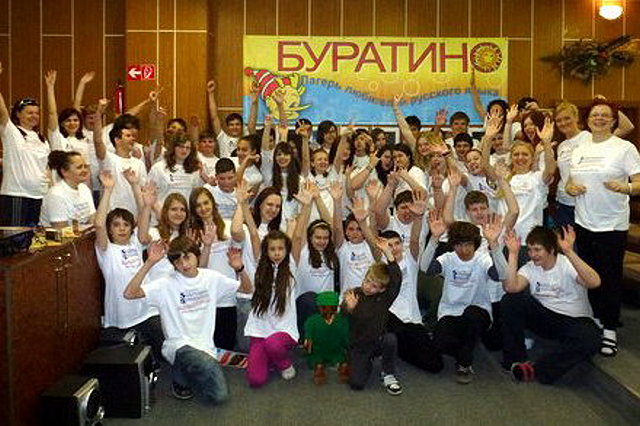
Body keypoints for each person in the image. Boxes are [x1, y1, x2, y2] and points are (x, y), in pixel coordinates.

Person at [124, 236, 252, 402]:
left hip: (206, 347)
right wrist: (149, 263)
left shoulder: (211, 278)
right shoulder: (165, 284)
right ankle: (180, 378)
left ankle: (188, 371)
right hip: (178, 345)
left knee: (219, 396)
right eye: (177, 261)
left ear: (196, 255)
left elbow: (247, 289)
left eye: (187, 257)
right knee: (207, 368)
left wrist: (240, 269)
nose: (184, 264)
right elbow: (129, 294)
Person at [566, 99, 640, 356]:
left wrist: (626, 187)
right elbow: (570, 183)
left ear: (612, 120)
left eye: (604, 115)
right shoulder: (579, 148)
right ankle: (596, 318)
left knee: (609, 277)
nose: (599, 118)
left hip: (612, 224)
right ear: (587, 120)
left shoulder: (624, 148)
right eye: (595, 115)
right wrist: (571, 189)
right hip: (583, 222)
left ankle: (610, 328)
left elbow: (638, 182)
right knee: (588, 274)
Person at [500, 227, 601, 384]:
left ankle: (538, 370)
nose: (532, 254)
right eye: (530, 249)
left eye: (537, 250)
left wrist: (569, 252)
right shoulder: (530, 267)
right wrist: (513, 254)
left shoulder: (566, 263)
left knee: (591, 340)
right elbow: (511, 287)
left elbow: (594, 282)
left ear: (552, 249)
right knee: (510, 300)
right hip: (546, 318)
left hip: (574, 319)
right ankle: (514, 360)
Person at [420, 212, 508, 384]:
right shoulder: (448, 259)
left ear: (475, 244)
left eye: (468, 245)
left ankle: (464, 362)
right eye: (459, 245)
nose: (464, 250)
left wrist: (493, 244)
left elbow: (502, 275)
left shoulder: (482, 259)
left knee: (472, 314)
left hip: (478, 312)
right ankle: (466, 346)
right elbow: (425, 268)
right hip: (450, 312)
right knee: (440, 343)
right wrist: (434, 238)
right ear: (453, 245)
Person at [94, 169, 164, 364]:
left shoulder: (135, 242)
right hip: (122, 315)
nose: (122, 228)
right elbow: (98, 224)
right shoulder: (106, 250)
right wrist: (108, 190)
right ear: (110, 230)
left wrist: (136, 187)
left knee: (163, 354)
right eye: (116, 225)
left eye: (126, 224)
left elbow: (143, 216)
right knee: (130, 363)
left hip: (147, 309)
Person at [341, 238, 403, 395]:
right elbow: (343, 317)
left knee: (390, 339)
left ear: (382, 289)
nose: (368, 287)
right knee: (356, 384)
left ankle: (388, 373)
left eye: (374, 286)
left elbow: (396, 278)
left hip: (377, 341)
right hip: (359, 346)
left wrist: (388, 253)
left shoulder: (385, 298)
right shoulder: (354, 294)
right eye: (367, 281)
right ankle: (365, 362)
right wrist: (349, 308)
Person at [244, 230, 299, 388]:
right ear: (266, 251)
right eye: (272, 249)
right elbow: (254, 235)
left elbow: (298, 236)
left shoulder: (291, 266)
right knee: (256, 380)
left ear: (286, 250)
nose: (276, 253)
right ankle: (270, 357)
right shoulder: (260, 267)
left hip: (284, 330)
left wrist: (299, 217)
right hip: (260, 331)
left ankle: (284, 363)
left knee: (273, 344)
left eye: (280, 249)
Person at [0, 61, 51, 226]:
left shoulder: (42, 139)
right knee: (16, 238)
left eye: (37, 113)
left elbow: (46, 166)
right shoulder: (12, 133)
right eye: (29, 112)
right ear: (18, 114)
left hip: (39, 196)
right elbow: (2, 111)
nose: (34, 116)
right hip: (17, 195)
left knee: (35, 238)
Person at [190, 187, 239, 351]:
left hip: (229, 294)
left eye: (206, 203)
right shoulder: (193, 233)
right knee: (209, 346)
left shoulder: (229, 226)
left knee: (228, 346)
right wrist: (207, 246)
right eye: (198, 205)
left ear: (213, 203)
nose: (203, 208)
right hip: (206, 297)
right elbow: (199, 270)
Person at [39, 151, 95, 228]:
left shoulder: (84, 189)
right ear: (64, 172)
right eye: (79, 167)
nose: (85, 170)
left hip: (82, 234)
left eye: (85, 166)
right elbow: (60, 229)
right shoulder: (56, 194)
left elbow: (92, 221)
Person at [303, 291, 349, 385]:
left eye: (331, 308)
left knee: (339, 360)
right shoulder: (313, 320)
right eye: (325, 308)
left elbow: (346, 336)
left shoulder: (341, 319)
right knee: (321, 360)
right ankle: (327, 366)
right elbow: (308, 335)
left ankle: (325, 366)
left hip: (329, 350)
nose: (328, 311)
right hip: (326, 350)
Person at [147, 134, 202, 207]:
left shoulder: (194, 170)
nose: (184, 150)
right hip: (162, 211)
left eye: (188, 148)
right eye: (181, 146)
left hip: (184, 212)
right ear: (173, 148)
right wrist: (158, 211)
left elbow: (195, 196)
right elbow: (148, 194)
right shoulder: (158, 168)